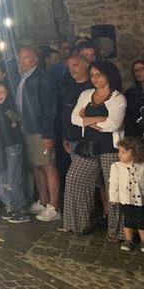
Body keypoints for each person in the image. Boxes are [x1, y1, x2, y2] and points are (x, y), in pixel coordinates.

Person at [61, 60, 126, 238]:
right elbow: (75, 119)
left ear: (108, 75)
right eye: (92, 75)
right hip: (88, 145)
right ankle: (77, 223)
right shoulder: (86, 94)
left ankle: (117, 231)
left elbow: (113, 124)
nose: (95, 78)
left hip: (109, 147)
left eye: (99, 74)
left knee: (112, 187)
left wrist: (88, 119)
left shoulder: (118, 98)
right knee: (75, 179)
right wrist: (100, 119)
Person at [16, 47, 60, 222]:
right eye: (20, 58)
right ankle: (43, 200)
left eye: (26, 57)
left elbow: (50, 108)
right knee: (36, 165)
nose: (22, 61)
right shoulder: (25, 76)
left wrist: (47, 134)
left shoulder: (43, 77)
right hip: (27, 127)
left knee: (48, 165)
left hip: (40, 129)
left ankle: (54, 206)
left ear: (36, 59)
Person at [0, 81, 31, 223]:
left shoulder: (8, 106)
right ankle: (14, 207)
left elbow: (16, 118)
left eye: (3, 92)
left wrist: (4, 111)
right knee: (9, 178)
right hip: (5, 147)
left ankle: (21, 209)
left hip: (13, 146)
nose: (0, 95)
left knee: (14, 178)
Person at [109, 138, 144, 252]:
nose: (120, 155)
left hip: (140, 199)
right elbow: (113, 183)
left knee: (141, 220)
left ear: (133, 153)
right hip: (125, 198)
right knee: (128, 219)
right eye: (119, 152)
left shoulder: (142, 166)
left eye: (123, 152)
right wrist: (114, 197)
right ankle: (128, 239)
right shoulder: (116, 166)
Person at [60, 56, 93, 159]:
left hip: (89, 139)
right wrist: (66, 137)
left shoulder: (93, 87)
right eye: (69, 67)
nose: (72, 70)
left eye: (75, 65)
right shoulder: (69, 89)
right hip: (72, 138)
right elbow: (66, 113)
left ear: (86, 66)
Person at [124, 60, 144, 139]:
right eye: (136, 70)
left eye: (142, 69)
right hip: (138, 136)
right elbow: (129, 118)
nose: (139, 72)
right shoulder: (130, 93)